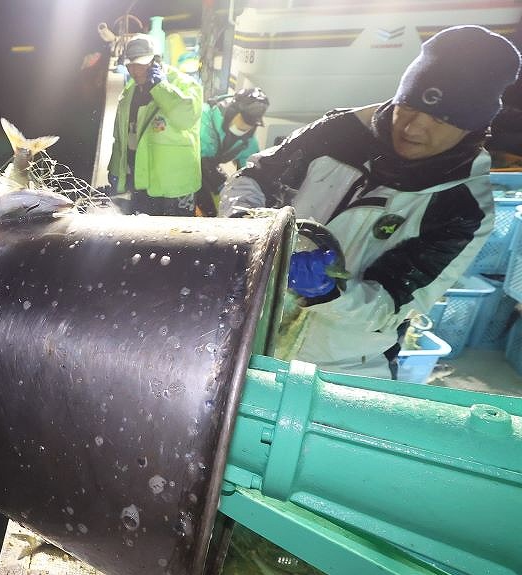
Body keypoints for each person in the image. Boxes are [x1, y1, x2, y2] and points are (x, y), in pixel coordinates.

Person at [219, 24, 521, 379]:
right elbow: (254, 176)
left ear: (472, 126)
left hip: (341, 364)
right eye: (407, 106)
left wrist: (328, 292)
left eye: (441, 119)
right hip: (247, 327)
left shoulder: (462, 206)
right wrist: (241, 221)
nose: (411, 128)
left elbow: (391, 303)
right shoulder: (339, 132)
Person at [107, 33, 203, 216]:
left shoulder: (186, 85)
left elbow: (186, 118)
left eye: (140, 64)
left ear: (156, 61)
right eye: (130, 65)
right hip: (141, 182)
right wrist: (116, 172)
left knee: (178, 239)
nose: (134, 71)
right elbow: (120, 138)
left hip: (175, 187)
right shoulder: (129, 92)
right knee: (146, 238)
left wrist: (161, 87)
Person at [196, 88, 269, 216]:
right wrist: (225, 187)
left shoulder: (248, 137)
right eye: (242, 124)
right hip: (190, 166)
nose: (244, 129)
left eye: (249, 126)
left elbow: (251, 166)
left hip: (209, 166)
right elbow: (203, 160)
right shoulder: (206, 116)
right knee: (208, 203)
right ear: (231, 112)